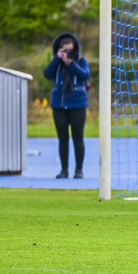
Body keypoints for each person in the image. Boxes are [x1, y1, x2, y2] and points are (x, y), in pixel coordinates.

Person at [44, 32, 89, 179]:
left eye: (71, 50)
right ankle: (64, 170)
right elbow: (47, 74)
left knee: (78, 138)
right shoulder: (57, 64)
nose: (68, 53)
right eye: (65, 50)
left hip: (77, 106)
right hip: (59, 106)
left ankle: (79, 170)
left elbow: (84, 75)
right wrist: (58, 58)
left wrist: (70, 63)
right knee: (63, 139)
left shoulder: (81, 61)